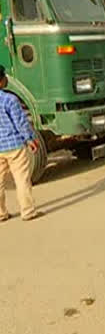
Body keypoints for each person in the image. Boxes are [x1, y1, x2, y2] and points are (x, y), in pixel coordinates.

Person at [0, 67, 43, 222]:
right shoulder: (10, 100)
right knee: (22, 179)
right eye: (4, 76)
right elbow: (21, 123)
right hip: (14, 146)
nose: (6, 78)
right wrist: (30, 139)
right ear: (1, 80)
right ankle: (28, 211)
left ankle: (1, 213)